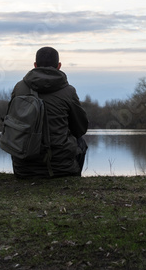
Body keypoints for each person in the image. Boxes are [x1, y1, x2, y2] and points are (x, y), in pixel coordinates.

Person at [9, 46, 88, 178]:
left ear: (35, 65)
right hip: (62, 170)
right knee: (80, 141)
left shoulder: (19, 88)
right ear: (59, 66)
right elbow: (81, 128)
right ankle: (74, 177)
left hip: (23, 170)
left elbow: (10, 122)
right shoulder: (69, 91)